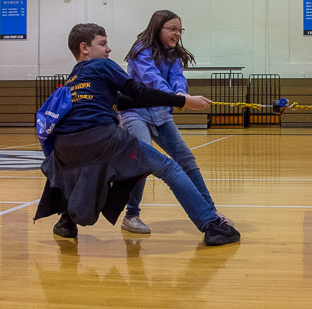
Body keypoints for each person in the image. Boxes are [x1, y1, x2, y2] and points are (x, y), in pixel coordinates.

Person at [33, 23, 241, 246]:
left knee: (80, 173)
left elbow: (123, 101)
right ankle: (211, 225)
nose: (109, 49)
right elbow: (137, 90)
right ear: (84, 48)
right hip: (101, 138)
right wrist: (183, 101)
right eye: (102, 43)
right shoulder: (102, 65)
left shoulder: (74, 78)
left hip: (64, 147)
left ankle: (66, 222)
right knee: (169, 168)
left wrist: (172, 102)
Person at [119, 10, 231, 234]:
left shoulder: (173, 55)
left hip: (160, 113)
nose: (177, 34)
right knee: (143, 160)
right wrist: (182, 100)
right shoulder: (140, 50)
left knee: (186, 159)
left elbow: (177, 79)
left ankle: (210, 211)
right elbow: (153, 80)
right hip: (135, 113)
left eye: (180, 30)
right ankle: (131, 215)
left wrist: (183, 96)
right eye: (172, 29)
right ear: (158, 27)